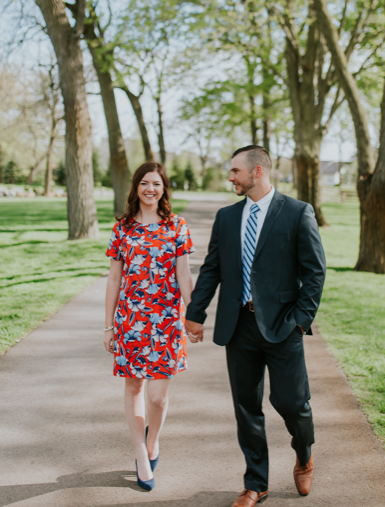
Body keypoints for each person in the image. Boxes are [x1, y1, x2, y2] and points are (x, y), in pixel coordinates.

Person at [184, 145, 326, 507]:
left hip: (283, 326)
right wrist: (195, 313)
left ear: (258, 171)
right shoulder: (227, 217)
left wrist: (300, 321)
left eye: (235, 171)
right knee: (246, 407)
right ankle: (255, 483)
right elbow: (212, 268)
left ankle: (304, 453)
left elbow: (314, 272)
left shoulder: (297, 212)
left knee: (292, 403)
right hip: (238, 326)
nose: (230, 177)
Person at [104, 162, 195, 491]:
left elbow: (184, 274)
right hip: (130, 322)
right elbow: (114, 278)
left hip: (167, 323)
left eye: (155, 183)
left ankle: (153, 441)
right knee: (134, 389)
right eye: (144, 183)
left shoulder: (177, 227)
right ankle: (141, 453)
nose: (150, 189)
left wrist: (193, 315)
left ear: (164, 188)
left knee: (157, 397)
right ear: (136, 187)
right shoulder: (122, 228)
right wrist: (108, 326)